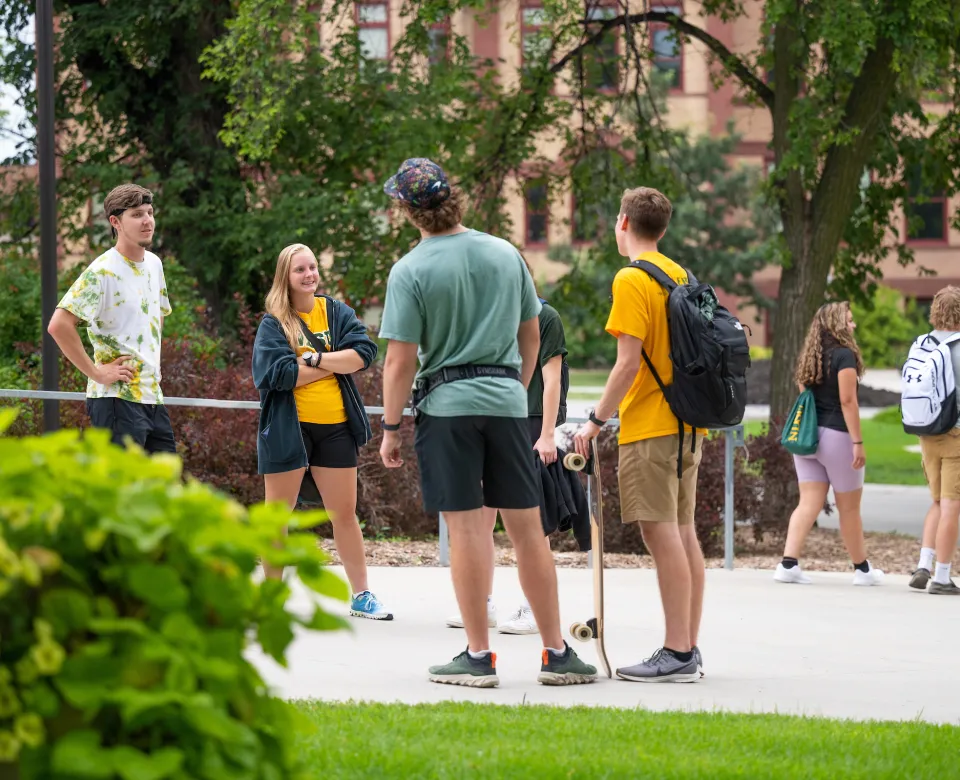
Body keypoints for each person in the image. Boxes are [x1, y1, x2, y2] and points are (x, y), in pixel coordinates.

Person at [378, 157, 596, 687]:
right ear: (452, 198)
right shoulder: (505, 253)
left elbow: (400, 361)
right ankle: (557, 653)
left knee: (469, 531)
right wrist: (511, 391)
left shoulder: (410, 270)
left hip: (446, 408)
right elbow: (531, 338)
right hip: (506, 404)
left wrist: (388, 427)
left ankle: (478, 657)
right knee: (527, 531)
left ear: (408, 210)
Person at [573, 186, 704, 684]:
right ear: (664, 229)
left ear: (622, 221)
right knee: (683, 532)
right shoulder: (680, 274)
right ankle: (688, 645)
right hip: (688, 423)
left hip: (651, 423)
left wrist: (595, 420)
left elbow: (628, 363)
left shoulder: (631, 278)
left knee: (660, 532)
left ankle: (675, 651)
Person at [251, 243, 392, 619]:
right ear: (286, 277)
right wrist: (334, 364)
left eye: (313, 267)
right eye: (300, 269)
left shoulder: (335, 311)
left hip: (335, 428)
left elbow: (364, 352)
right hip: (288, 429)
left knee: (344, 514)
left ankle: (362, 595)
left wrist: (313, 359)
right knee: (277, 517)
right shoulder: (273, 323)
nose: (310, 274)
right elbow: (276, 375)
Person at [445, 257, 571, 635]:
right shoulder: (493, 315)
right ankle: (481, 601)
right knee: (480, 518)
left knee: (531, 523)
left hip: (530, 422)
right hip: (493, 420)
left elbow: (552, 382)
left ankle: (534, 608)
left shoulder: (545, 317)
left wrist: (547, 434)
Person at [49, 183, 177, 453]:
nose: (147, 221)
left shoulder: (154, 264)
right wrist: (96, 372)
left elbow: (156, 318)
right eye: (137, 214)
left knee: (163, 489)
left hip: (152, 396)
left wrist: (153, 362)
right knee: (121, 491)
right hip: (116, 400)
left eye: (150, 212)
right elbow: (59, 325)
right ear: (115, 221)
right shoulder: (102, 271)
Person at [774, 302, 884, 587]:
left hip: (808, 438)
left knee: (808, 503)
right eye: (849, 320)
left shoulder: (811, 356)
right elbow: (848, 401)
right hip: (837, 437)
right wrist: (858, 442)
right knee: (848, 508)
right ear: (837, 324)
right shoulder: (844, 355)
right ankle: (862, 570)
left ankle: (788, 564)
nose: (853, 325)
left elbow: (804, 392)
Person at [910, 286, 960, 595]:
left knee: (938, 502)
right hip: (956, 434)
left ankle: (924, 564)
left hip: (927, 432)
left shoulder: (922, 343)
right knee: (953, 505)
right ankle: (942, 576)